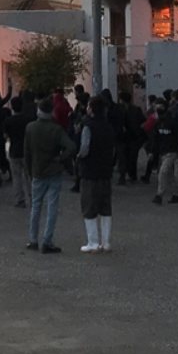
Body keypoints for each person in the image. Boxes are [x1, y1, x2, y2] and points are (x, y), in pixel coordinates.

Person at [23, 99, 75, 254]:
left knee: (36, 206)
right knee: (52, 207)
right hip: (54, 170)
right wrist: (60, 158)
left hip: (38, 171)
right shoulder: (56, 129)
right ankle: (47, 241)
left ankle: (33, 239)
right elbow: (72, 147)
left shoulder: (30, 128)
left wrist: (30, 171)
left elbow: (27, 153)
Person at [77, 98, 115, 253]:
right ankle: (106, 242)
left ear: (91, 109)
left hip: (90, 171)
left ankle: (92, 241)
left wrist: (79, 156)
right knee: (105, 207)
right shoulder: (108, 127)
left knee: (89, 205)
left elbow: (85, 148)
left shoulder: (88, 127)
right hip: (106, 170)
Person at [151, 99, 178, 205]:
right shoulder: (159, 122)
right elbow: (155, 138)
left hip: (173, 151)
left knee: (164, 172)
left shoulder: (171, 121)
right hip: (166, 151)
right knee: (174, 175)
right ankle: (176, 195)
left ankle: (159, 195)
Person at [4, 96, 32, 208]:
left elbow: (6, 136)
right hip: (27, 151)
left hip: (14, 151)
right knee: (29, 176)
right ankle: (33, 197)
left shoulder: (8, 121)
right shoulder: (28, 120)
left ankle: (20, 200)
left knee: (17, 177)